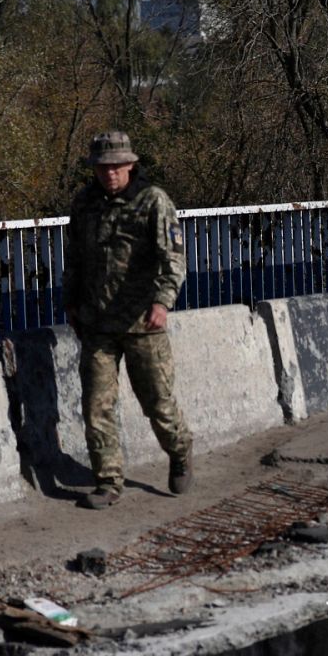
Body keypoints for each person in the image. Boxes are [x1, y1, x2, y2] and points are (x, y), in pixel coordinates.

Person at [62, 130, 194, 509]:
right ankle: (108, 481)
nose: (110, 173)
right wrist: (71, 301)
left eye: (116, 166)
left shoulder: (153, 201)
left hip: (142, 324)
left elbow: (173, 259)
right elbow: (75, 257)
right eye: (102, 167)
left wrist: (162, 303)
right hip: (97, 324)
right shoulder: (84, 203)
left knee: (157, 403)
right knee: (97, 406)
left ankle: (180, 450)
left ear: (130, 165)